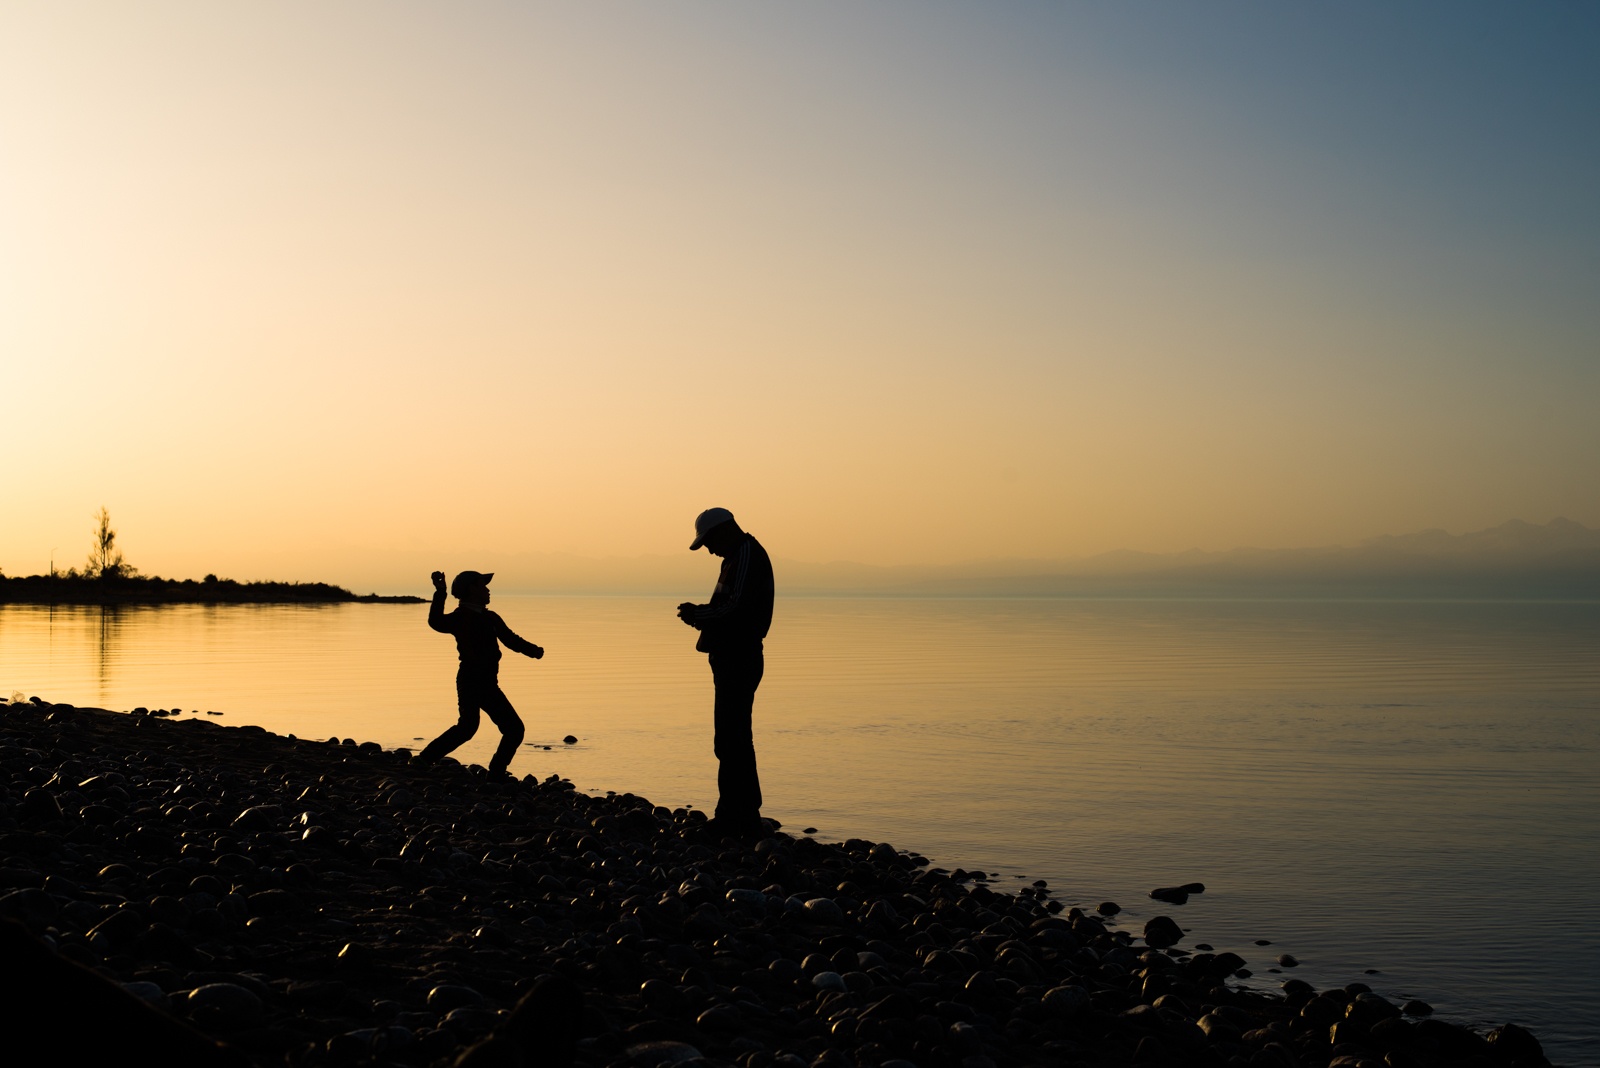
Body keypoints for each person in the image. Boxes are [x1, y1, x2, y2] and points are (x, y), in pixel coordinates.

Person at [676, 508, 775, 838]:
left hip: (739, 656)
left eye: (708, 542)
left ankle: (737, 816)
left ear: (724, 531)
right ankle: (739, 813)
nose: (708, 550)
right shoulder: (736, 556)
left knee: (732, 738)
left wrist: (697, 615)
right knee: (731, 738)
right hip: (732, 656)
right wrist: (701, 617)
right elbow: (731, 607)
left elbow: (735, 607)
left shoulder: (746, 554)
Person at [418, 569, 543, 776]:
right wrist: (440, 592)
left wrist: (533, 651)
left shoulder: (491, 618)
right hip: (472, 680)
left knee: (468, 727)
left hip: (484, 681)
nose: (488, 590)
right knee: (512, 729)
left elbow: (510, 639)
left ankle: (425, 760)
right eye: (483, 585)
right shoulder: (460, 617)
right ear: (472, 589)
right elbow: (436, 622)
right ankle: (496, 772)